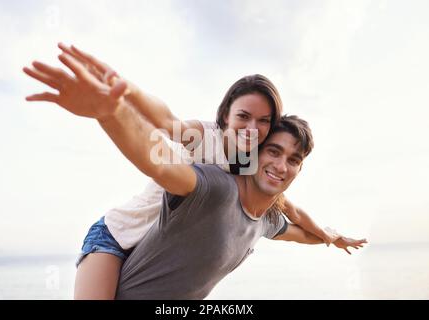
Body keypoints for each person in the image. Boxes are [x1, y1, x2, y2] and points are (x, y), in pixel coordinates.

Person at [23, 44, 355, 299]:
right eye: (243, 116)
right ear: (225, 115)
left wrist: (329, 235)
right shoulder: (203, 139)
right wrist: (121, 96)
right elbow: (164, 127)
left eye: (264, 121)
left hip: (155, 246)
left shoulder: (248, 167)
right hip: (116, 236)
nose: (252, 128)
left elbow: (289, 208)